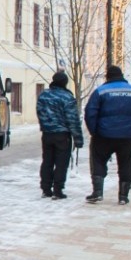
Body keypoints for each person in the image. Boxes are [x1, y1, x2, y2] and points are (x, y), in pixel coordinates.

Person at [83, 65, 131, 205]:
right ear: (122, 75)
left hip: (103, 135)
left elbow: (90, 112)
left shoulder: (100, 91)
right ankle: (123, 196)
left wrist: (94, 131)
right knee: (126, 163)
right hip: (127, 136)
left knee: (98, 161)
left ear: (108, 77)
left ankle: (97, 192)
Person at [36, 70, 84, 199]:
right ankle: (58, 190)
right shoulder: (67, 97)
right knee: (61, 163)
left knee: (47, 161)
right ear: (65, 83)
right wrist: (78, 138)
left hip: (47, 134)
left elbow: (40, 113)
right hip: (62, 135)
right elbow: (72, 119)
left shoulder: (43, 95)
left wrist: (45, 126)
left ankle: (46, 189)